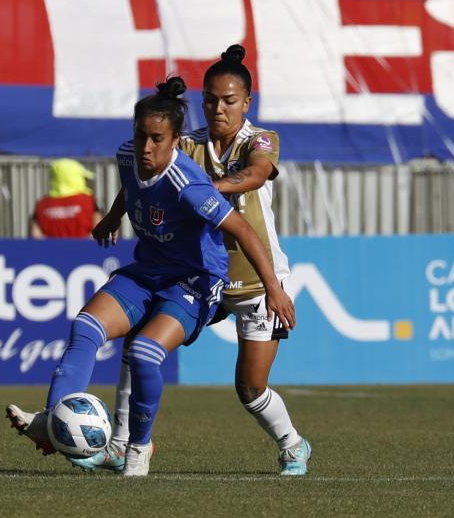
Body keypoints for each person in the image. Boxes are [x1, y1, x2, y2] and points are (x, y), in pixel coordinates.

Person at [7, 76, 295, 477]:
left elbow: (246, 220)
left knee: (226, 381)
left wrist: (275, 289)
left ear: (175, 140)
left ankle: (141, 449)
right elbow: (133, 184)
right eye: (141, 135)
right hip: (149, 271)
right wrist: (112, 215)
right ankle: (54, 420)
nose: (146, 146)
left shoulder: (200, 176)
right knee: (87, 327)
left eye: (156, 139)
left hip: (203, 280)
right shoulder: (129, 156)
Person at [78, 45, 312, 476]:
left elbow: (257, 173)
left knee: (250, 387)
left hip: (258, 282)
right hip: (202, 276)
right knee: (138, 343)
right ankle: (121, 444)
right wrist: (113, 215)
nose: (218, 108)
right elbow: (142, 181)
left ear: (247, 102)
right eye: (210, 99)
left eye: (228, 100)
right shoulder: (185, 143)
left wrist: (201, 192)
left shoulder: (261, 140)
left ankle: (292, 444)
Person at [29, 158, 103, 238]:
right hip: (84, 249)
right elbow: (100, 231)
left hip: (50, 250)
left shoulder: (41, 204)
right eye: (83, 178)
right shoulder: (89, 201)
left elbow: (35, 236)